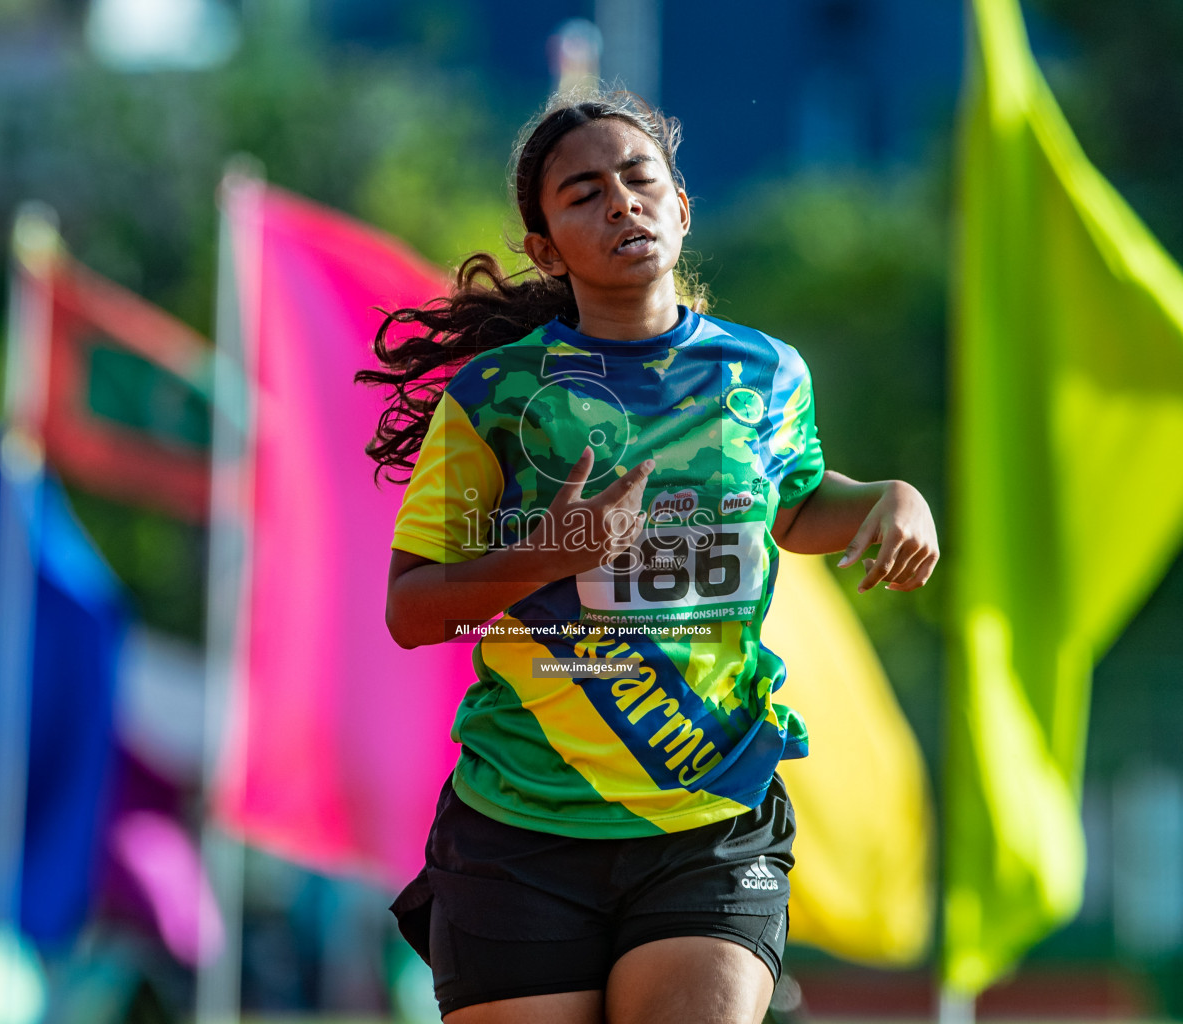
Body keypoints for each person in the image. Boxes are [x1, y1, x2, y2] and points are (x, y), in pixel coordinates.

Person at [356, 91, 939, 1024]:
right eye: (583, 194)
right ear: (545, 248)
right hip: (521, 828)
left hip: (707, 819)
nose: (621, 203)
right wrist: (550, 555)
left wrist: (891, 502)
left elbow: (796, 505)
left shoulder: (768, 373)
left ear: (680, 206)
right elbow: (414, 612)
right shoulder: (497, 397)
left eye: (640, 179)